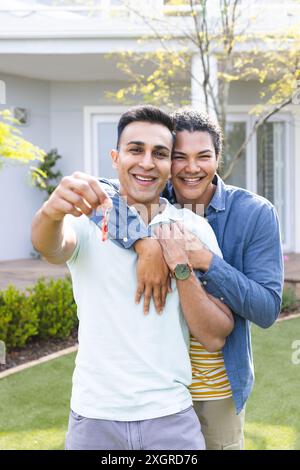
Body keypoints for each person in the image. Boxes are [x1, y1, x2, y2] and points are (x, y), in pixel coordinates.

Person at [31, 105, 234, 451]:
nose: (146, 162)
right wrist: (50, 212)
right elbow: (50, 247)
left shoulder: (194, 227)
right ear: (115, 157)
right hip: (94, 419)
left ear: (170, 166)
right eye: (135, 149)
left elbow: (215, 336)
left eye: (160, 154)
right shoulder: (86, 221)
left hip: (171, 417)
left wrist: (179, 266)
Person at [98, 107, 284, 450]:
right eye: (179, 157)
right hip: (156, 393)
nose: (192, 168)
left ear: (218, 158)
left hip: (215, 391)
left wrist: (207, 261)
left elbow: (267, 309)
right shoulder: (148, 198)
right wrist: (146, 244)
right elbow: (97, 195)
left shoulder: (254, 213)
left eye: (204, 156)